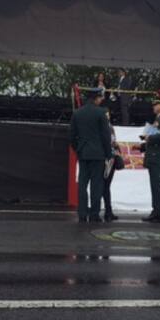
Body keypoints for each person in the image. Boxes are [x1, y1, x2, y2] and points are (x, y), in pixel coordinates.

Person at [70, 87, 112, 223]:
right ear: (96, 98)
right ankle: (94, 214)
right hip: (98, 154)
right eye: (100, 98)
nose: (101, 100)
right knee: (96, 185)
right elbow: (106, 136)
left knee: (82, 184)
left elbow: (72, 136)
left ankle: (82, 213)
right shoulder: (101, 113)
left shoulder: (77, 113)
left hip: (83, 153)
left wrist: (78, 149)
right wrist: (108, 154)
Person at [140, 98, 160, 223]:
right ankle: (157, 211)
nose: (153, 106)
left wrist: (150, 137)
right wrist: (143, 146)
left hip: (159, 158)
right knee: (155, 186)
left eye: (156, 104)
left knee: (158, 185)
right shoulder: (158, 120)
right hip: (154, 157)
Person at [102, 110, 120, 222]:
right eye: (106, 115)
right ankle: (108, 211)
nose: (107, 116)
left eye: (108, 114)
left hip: (109, 158)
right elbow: (111, 141)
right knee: (105, 185)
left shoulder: (109, 127)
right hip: (108, 158)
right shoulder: (108, 127)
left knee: (105, 185)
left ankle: (108, 210)